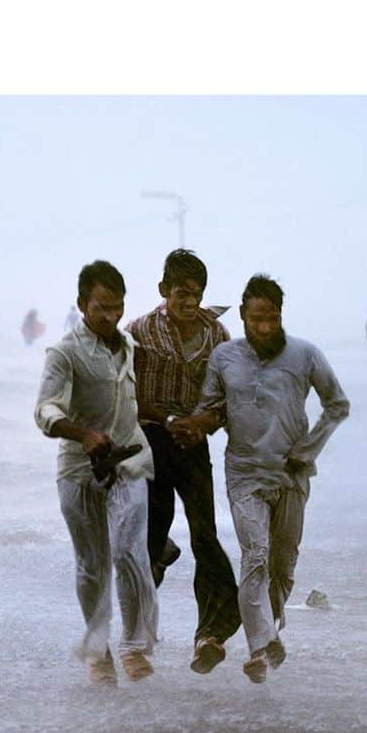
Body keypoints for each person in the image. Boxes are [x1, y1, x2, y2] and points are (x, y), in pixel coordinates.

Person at [178, 275, 349, 683]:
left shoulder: (305, 355)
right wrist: (192, 425)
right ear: (242, 316)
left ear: (280, 316)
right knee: (254, 556)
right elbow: (210, 409)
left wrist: (306, 451)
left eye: (272, 319)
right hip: (245, 474)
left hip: (291, 475)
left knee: (282, 565)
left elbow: (337, 405)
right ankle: (261, 645)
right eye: (257, 320)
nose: (266, 328)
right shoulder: (224, 357)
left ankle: (267, 636)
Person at [33, 261, 158, 685]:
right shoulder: (65, 353)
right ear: (83, 303)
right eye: (101, 308)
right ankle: (99, 652)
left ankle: (135, 645)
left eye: (117, 307)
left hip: (130, 461)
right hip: (79, 469)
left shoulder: (130, 346)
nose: (110, 316)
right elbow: (45, 409)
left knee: (129, 550)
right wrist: (83, 433)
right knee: (92, 565)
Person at [126, 249, 243, 675]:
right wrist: (165, 417)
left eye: (196, 294)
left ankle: (210, 635)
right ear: (164, 291)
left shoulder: (218, 336)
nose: (189, 303)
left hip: (194, 442)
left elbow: (228, 399)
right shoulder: (139, 331)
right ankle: (136, 641)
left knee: (205, 537)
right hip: (152, 440)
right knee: (150, 538)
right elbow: (124, 392)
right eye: (181, 294)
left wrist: (203, 422)